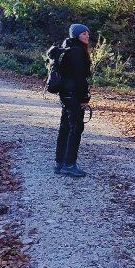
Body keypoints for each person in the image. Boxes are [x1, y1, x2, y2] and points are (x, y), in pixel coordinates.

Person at [49, 23, 92, 178]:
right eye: (83, 34)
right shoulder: (77, 52)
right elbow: (79, 78)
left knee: (66, 126)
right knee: (76, 128)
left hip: (65, 93)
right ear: (76, 36)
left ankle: (60, 163)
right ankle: (69, 165)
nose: (87, 36)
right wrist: (84, 98)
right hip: (73, 95)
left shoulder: (66, 49)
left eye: (87, 33)